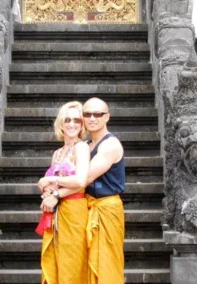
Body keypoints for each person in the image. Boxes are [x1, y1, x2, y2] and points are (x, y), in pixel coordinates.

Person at [40, 97, 126, 284]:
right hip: (88, 206)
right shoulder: (87, 145)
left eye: (98, 114)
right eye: (87, 114)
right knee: (86, 263)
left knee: (105, 265)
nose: (92, 118)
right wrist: (49, 189)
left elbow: (84, 179)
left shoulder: (109, 145)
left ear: (107, 117)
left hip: (106, 208)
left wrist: (55, 194)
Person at [36, 101, 90, 284]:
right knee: (56, 260)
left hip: (75, 211)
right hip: (58, 211)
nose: (72, 124)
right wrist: (47, 191)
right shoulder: (58, 153)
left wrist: (52, 183)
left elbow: (81, 181)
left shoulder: (81, 147)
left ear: (82, 125)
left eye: (77, 120)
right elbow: (53, 184)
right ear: (61, 123)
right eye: (68, 119)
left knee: (72, 262)